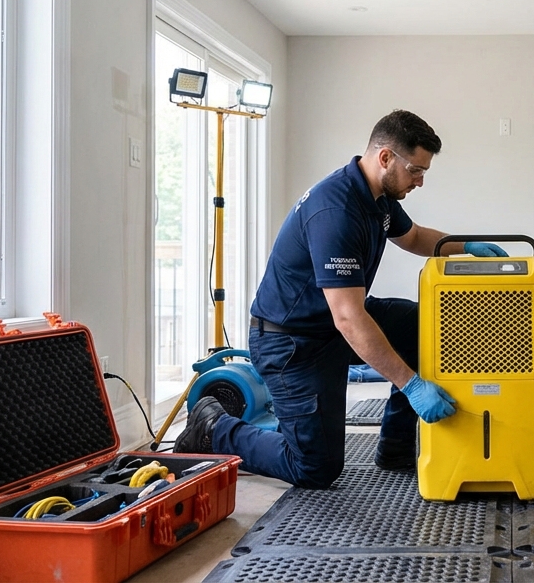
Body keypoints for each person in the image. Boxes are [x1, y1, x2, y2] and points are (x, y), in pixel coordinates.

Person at [175, 110, 508, 487]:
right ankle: (213, 428)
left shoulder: (376, 195)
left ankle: (396, 448)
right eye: (416, 170)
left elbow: (412, 237)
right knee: (314, 467)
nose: (420, 181)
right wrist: (412, 385)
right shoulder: (335, 211)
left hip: (329, 323)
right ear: (385, 158)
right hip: (292, 343)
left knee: (421, 326)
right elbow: (349, 318)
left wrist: (465, 247)